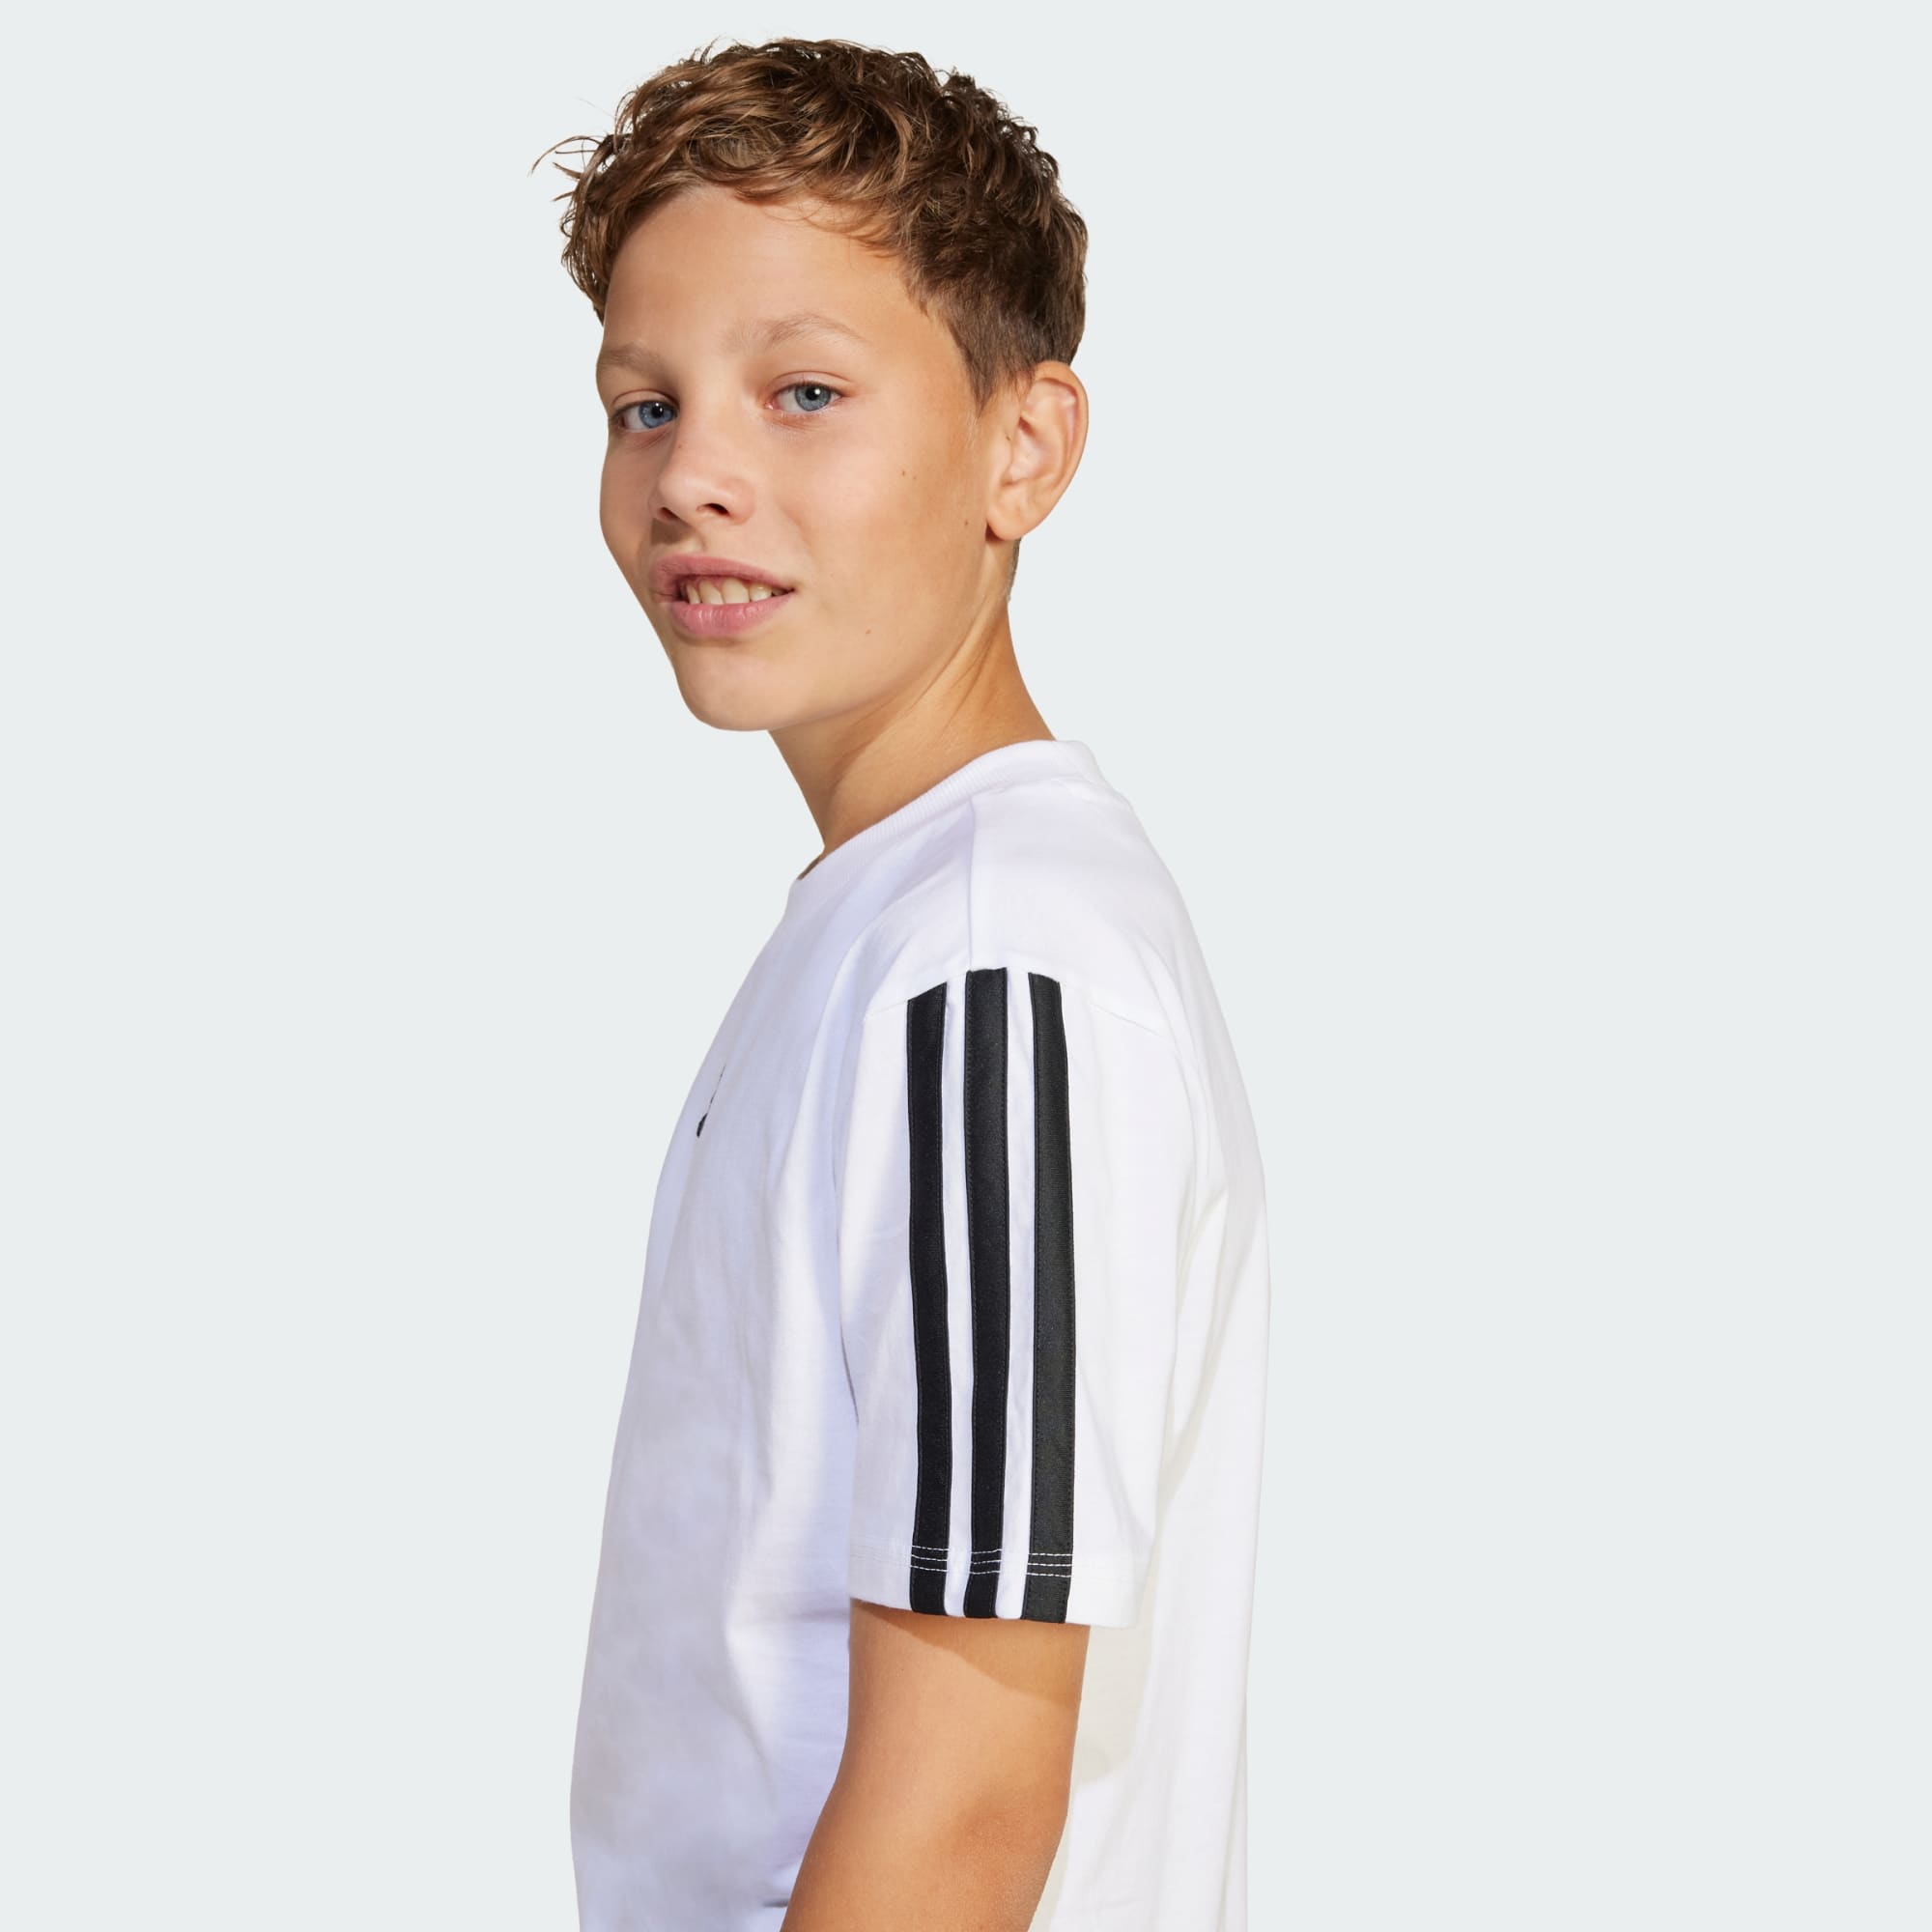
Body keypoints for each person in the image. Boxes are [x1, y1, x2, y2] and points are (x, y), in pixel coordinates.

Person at [539, 36, 1271, 1932]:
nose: (695, 476)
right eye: (643, 405)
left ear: (1023, 447)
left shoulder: (993, 959)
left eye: (803, 392)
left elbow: (960, 1810)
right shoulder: (892, 924)